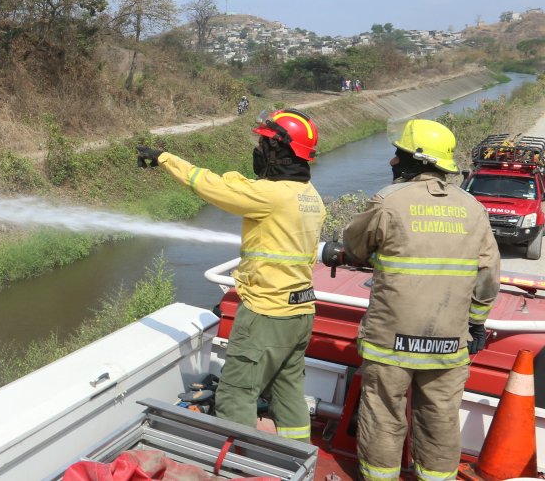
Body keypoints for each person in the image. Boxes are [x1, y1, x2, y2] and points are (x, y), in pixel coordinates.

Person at [136, 108, 326, 442]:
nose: (259, 149)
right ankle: (300, 460)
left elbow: (209, 186)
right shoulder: (311, 197)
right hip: (300, 314)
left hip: (266, 315)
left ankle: (242, 470)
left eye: (265, 143)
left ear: (281, 150)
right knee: (288, 395)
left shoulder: (270, 196)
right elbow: (242, 186)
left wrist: (166, 158)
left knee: (236, 396)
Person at [325, 119, 499, 481]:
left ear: (416, 160)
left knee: (384, 415)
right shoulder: (473, 209)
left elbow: (355, 246)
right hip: (449, 343)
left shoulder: (389, 202)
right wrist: (476, 323)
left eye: (398, 154)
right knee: (440, 419)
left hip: (391, 343)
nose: (392, 162)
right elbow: (488, 278)